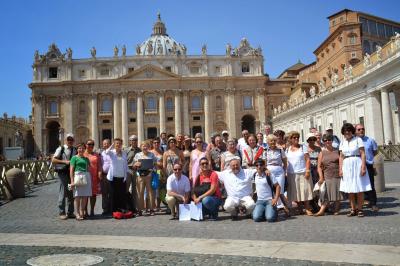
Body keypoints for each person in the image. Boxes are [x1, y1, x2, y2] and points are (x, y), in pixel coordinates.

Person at [339, 123, 371, 217]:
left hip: (357, 163)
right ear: (343, 132)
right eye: (345, 131)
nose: (347, 132)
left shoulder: (358, 140)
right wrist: (340, 169)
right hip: (346, 165)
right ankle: (353, 209)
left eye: (349, 131)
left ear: (352, 131)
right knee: (350, 189)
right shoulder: (342, 142)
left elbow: (363, 153)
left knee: (359, 188)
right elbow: (341, 156)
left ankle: (360, 209)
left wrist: (363, 166)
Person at [285, 131, 313, 216]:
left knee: (305, 190)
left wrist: (307, 170)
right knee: (296, 191)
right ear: (290, 139)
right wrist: (285, 172)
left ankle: (307, 208)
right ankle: (300, 208)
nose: (296, 139)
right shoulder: (287, 149)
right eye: (294, 137)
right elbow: (286, 161)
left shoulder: (302, 147)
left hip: (303, 171)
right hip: (292, 173)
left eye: (297, 137)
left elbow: (307, 159)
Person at [315, 134, 342, 216]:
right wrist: (321, 177)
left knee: (338, 193)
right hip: (327, 175)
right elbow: (319, 167)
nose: (327, 141)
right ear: (323, 142)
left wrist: (341, 171)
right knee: (326, 194)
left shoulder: (338, 151)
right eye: (325, 140)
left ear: (332, 140)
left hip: (338, 174)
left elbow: (341, 162)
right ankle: (321, 210)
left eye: (329, 140)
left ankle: (336, 209)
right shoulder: (322, 153)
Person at [52, 133, 77, 220]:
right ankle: (62, 212)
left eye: (71, 139)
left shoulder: (75, 149)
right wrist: (64, 162)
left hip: (71, 173)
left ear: (73, 141)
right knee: (63, 191)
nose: (70, 141)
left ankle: (70, 212)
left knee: (70, 192)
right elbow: (53, 159)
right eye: (68, 139)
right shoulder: (61, 148)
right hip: (62, 172)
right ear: (65, 140)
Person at [264, 134, 290, 215]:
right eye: (271, 141)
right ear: (268, 142)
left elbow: (285, 162)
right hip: (270, 170)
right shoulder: (265, 151)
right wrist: (266, 170)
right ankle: (279, 207)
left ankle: (284, 207)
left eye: (274, 141)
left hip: (279, 170)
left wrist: (284, 171)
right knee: (273, 190)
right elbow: (264, 163)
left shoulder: (280, 150)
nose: (273, 142)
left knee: (280, 190)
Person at [355, 124, 379, 212]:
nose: (361, 130)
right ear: (355, 131)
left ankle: (373, 204)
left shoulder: (370, 140)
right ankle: (360, 203)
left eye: (362, 129)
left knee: (371, 185)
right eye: (359, 129)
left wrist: (370, 161)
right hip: (357, 166)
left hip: (368, 165)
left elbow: (375, 152)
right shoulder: (354, 141)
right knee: (358, 185)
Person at [134, 141, 158, 216]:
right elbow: (134, 166)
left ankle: (151, 209)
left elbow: (155, 164)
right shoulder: (138, 155)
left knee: (151, 193)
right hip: (140, 176)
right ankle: (140, 209)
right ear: (141, 147)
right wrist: (136, 164)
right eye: (143, 146)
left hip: (149, 175)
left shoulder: (152, 154)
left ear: (149, 147)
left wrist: (153, 167)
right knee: (140, 193)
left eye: (146, 146)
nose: (144, 147)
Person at [105, 138, 128, 213]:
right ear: (114, 144)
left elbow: (125, 164)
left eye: (119, 143)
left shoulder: (124, 153)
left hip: (122, 176)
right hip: (113, 177)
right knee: (113, 194)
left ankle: (121, 209)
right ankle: (113, 210)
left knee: (121, 194)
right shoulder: (111, 152)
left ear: (121, 144)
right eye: (116, 143)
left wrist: (127, 173)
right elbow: (106, 152)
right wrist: (112, 145)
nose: (118, 145)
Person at [70, 143, 92, 220]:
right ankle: (77, 213)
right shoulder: (74, 158)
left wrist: (90, 179)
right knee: (77, 196)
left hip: (86, 176)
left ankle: (82, 211)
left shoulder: (86, 159)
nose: (81, 150)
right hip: (77, 175)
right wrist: (72, 181)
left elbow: (89, 169)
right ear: (77, 149)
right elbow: (71, 170)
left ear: (84, 149)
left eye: (82, 148)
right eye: (79, 148)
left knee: (85, 195)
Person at [84, 139, 102, 217]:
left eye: (92, 144)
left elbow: (99, 165)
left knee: (93, 194)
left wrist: (100, 172)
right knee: (85, 194)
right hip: (84, 176)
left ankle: (92, 210)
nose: (90, 146)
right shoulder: (82, 154)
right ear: (86, 145)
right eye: (89, 144)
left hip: (94, 176)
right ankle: (85, 211)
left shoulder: (96, 155)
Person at [125, 135, 141, 212]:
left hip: (137, 171)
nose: (134, 141)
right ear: (130, 141)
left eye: (135, 140)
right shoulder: (126, 150)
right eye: (132, 140)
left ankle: (134, 207)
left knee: (135, 190)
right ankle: (126, 206)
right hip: (128, 170)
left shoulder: (140, 150)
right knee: (126, 188)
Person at [150, 137, 164, 211]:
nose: (156, 144)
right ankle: (153, 204)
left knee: (158, 188)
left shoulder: (162, 152)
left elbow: (163, 163)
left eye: (158, 143)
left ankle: (158, 205)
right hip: (151, 171)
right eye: (155, 143)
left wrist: (157, 163)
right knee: (151, 188)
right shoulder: (150, 152)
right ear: (152, 144)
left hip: (158, 171)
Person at [100, 139, 112, 215]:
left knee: (111, 192)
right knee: (104, 193)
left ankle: (111, 208)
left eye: (107, 143)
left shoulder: (113, 153)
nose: (106, 145)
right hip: (104, 175)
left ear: (110, 144)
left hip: (112, 175)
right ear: (102, 145)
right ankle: (105, 209)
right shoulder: (100, 154)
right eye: (104, 144)